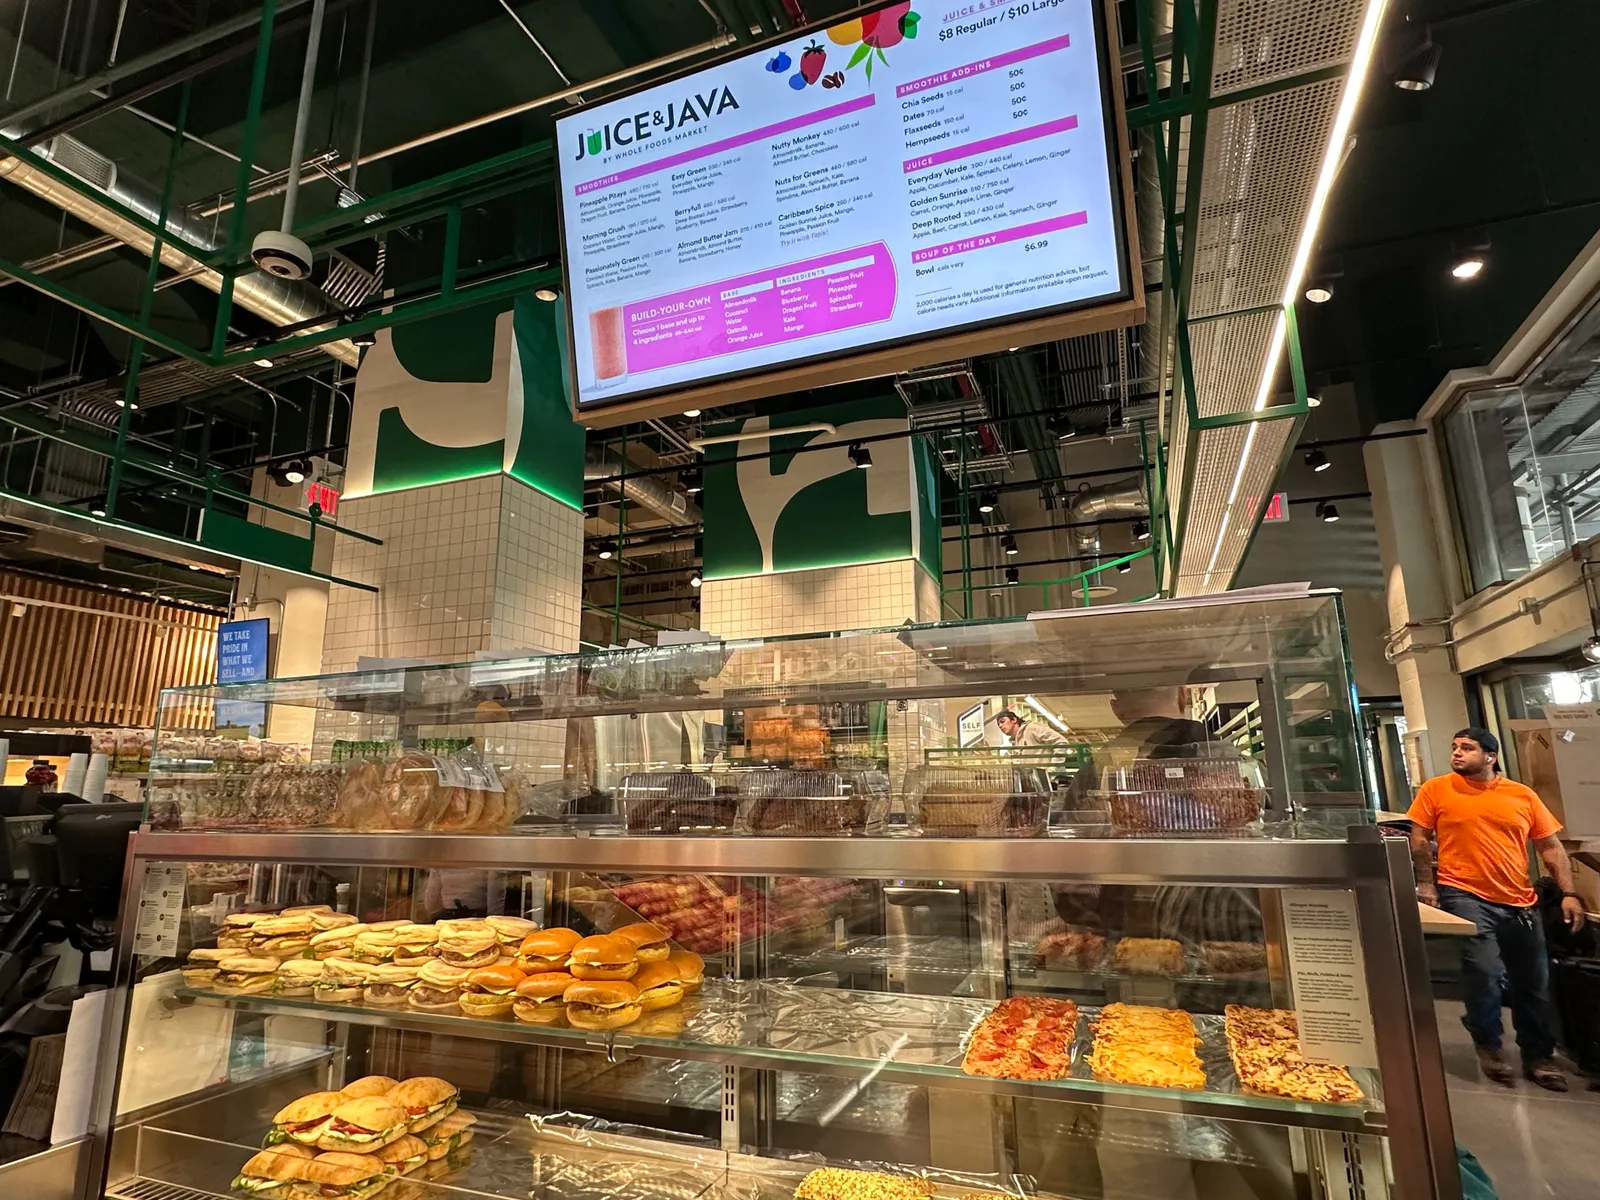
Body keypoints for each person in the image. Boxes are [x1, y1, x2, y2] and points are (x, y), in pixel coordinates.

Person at [1407, 726, 1587, 1091]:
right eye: (1455, 747)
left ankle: (1538, 1055)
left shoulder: (1521, 795)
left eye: (1467, 748)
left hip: (1519, 900)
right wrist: (1427, 884)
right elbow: (1420, 837)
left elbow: (1549, 848)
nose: (1457, 753)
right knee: (1484, 971)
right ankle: (1488, 1043)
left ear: (1490, 756)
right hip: (1463, 892)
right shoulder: (1437, 789)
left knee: (1533, 981)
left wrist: (1570, 893)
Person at [994, 708, 1067, 747]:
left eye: (1002, 721)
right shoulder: (1014, 743)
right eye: (998, 724)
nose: (1000, 726)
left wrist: (1053, 768)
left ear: (1014, 720)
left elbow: (1061, 741)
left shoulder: (1032, 728)